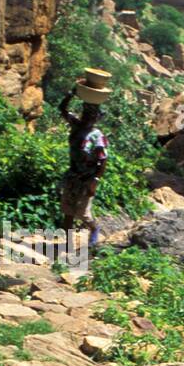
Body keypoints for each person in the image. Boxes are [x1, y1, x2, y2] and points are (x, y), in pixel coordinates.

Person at [58, 90, 109, 252]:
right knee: (68, 210)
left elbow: (103, 160)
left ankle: (95, 229)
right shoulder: (75, 124)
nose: (88, 118)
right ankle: (67, 244)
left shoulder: (97, 136)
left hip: (87, 178)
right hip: (73, 175)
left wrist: (95, 181)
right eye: (86, 114)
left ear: (96, 119)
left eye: (92, 116)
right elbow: (62, 109)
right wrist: (71, 94)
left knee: (83, 213)